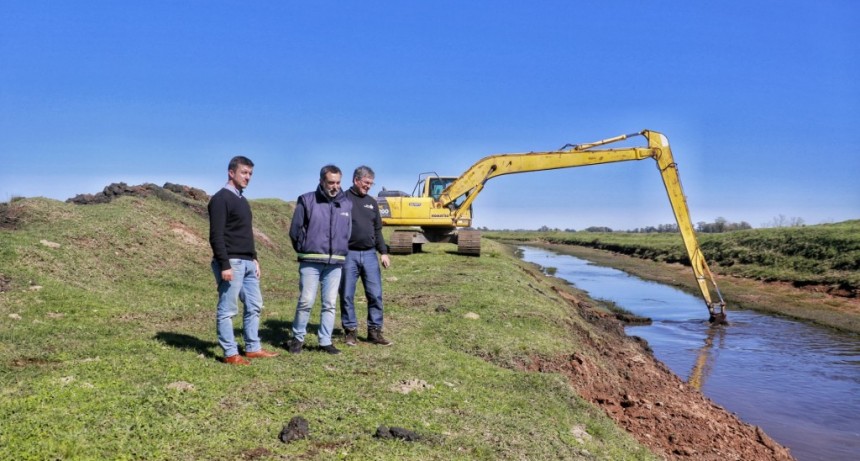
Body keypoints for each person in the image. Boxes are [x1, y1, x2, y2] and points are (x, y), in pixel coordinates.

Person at [208, 156, 278, 365]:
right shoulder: (221, 199)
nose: (248, 177)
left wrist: (254, 258)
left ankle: (252, 347)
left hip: (247, 262)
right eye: (244, 173)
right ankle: (230, 353)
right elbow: (216, 235)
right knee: (228, 309)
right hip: (232, 262)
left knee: (255, 305)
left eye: (250, 174)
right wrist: (225, 264)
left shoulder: (242, 200)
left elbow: (245, 233)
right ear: (231, 173)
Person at [287, 164, 352, 355]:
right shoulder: (307, 200)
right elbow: (295, 230)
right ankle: (297, 339)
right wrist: (304, 249)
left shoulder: (346, 203)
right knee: (306, 301)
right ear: (322, 181)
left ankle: (325, 341)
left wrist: (341, 249)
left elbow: (347, 231)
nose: (335, 186)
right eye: (331, 182)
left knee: (330, 303)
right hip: (311, 261)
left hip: (336, 263)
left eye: (338, 182)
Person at [339, 166, 393, 346]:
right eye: (366, 183)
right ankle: (350, 331)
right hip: (348, 255)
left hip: (370, 254)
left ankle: (374, 331)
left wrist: (383, 252)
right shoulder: (343, 199)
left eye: (371, 183)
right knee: (347, 294)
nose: (368, 186)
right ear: (356, 180)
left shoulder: (372, 202)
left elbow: (377, 230)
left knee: (375, 294)